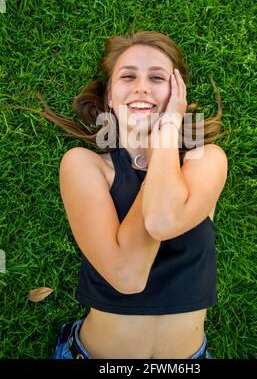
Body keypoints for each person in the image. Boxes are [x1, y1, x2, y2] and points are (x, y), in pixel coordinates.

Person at [21, 31, 228, 359]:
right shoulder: (84, 165)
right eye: (128, 76)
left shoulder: (207, 160)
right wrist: (164, 142)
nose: (142, 86)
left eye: (157, 77)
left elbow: (163, 218)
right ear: (109, 100)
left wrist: (168, 133)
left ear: (178, 95)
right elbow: (128, 276)